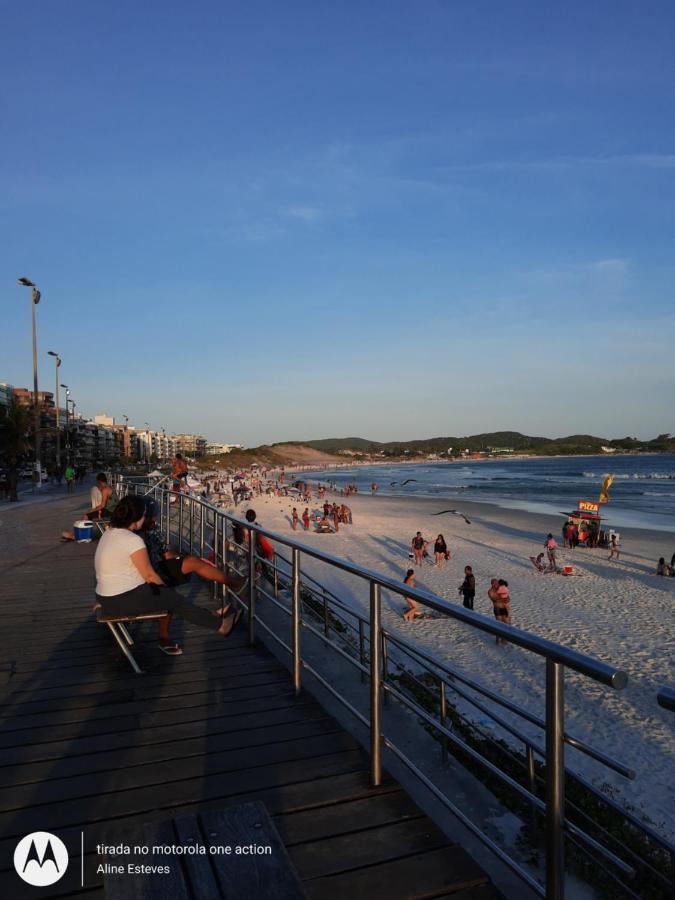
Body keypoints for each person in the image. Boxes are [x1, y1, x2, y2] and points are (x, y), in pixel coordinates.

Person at [94, 495, 240, 656]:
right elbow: (149, 575)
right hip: (121, 600)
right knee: (174, 600)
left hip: (105, 598)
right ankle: (220, 625)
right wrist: (164, 592)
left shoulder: (110, 532)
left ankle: (209, 616)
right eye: (144, 515)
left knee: (170, 597)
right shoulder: (132, 539)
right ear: (138, 517)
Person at [140, 499, 246, 594]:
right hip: (152, 574)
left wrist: (190, 558)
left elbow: (166, 553)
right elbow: (149, 567)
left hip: (157, 566)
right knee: (192, 564)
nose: (156, 519)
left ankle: (230, 583)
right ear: (144, 517)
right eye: (153, 516)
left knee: (193, 561)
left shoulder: (151, 531)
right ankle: (231, 583)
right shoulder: (138, 538)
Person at [61, 473, 114, 541]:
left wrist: (92, 510)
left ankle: (78, 535)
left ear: (99, 481)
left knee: (87, 515)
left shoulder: (105, 490)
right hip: (112, 511)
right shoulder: (110, 487)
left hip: (109, 513)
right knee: (92, 512)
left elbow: (102, 505)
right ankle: (79, 533)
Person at [488, 577, 511, 645]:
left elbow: (508, 599)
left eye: (497, 583)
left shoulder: (501, 588)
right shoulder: (490, 591)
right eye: (494, 583)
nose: (496, 584)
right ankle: (497, 640)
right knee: (499, 625)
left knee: (507, 624)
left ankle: (504, 640)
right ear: (492, 584)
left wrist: (503, 599)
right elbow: (495, 600)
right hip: (497, 609)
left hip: (504, 608)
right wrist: (503, 599)